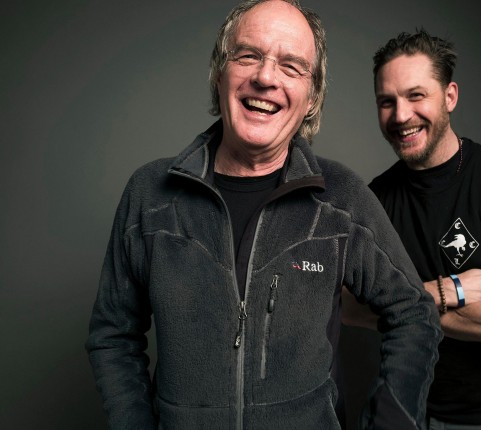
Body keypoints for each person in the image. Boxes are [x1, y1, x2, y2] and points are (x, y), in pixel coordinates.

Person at [85, 2, 442, 429]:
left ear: (312, 97)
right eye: (248, 55)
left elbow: (414, 314)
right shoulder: (151, 195)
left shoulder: (341, 199)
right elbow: (113, 336)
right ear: (219, 73)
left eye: (291, 66)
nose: (266, 77)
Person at [343, 30, 481, 429]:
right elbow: (350, 308)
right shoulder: (373, 200)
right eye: (387, 102)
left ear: (450, 96)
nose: (400, 115)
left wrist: (399, 307)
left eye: (416, 95)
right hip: (402, 412)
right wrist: (451, 289)